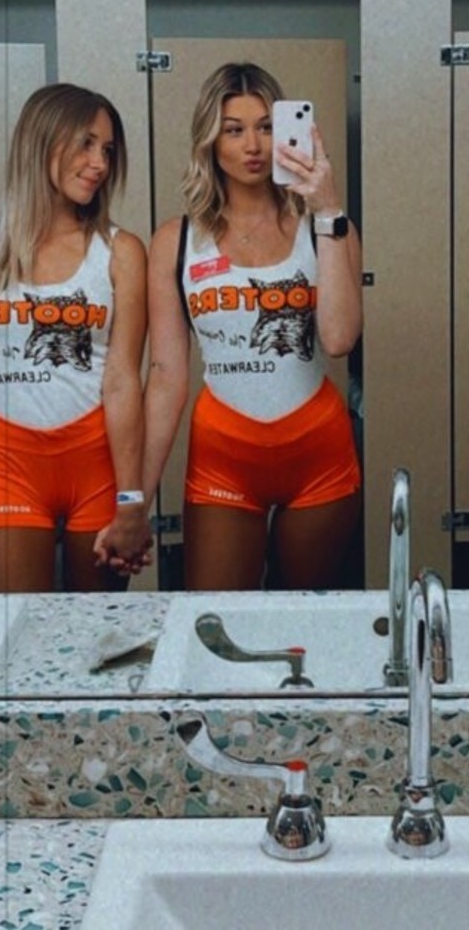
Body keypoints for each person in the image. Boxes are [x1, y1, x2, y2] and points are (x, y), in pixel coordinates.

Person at [143, 62, 362, 590]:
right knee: (216, 623)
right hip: (224, 454)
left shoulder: (327, 227)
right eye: (234, 129)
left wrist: (328, 207)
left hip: (318, 451)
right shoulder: (176, 240)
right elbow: (166, 375)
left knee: (304, 624)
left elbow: (339, 339)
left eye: (266, 126)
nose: (254, 145)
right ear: (210, 141)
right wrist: (135, 497)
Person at [0, 82, 152, 592]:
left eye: (108, 150)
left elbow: (123, 381)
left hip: (97, 463)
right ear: (41, 141)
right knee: (15, 629)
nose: (99, 164)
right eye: (86, 143)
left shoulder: (120, 251)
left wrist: (132, 501)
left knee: (97, 631)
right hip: (9, 464)